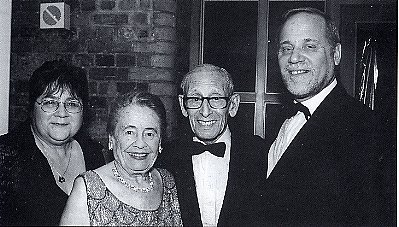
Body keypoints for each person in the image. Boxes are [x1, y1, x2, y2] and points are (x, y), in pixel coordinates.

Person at [255, 7, 382, 226]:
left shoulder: (366, 129)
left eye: (309, 46)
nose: (294, 58)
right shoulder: (283, 121)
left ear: (336, 54)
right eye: (286, 48)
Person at [156, 64, 267, 226]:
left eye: (216, 99)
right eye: (195, 99)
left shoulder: (260, 154)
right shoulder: (165, 158)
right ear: (183, 105)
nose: (205, 111)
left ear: (233, 105)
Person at [0, 59, 105, 225]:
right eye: (50, 103)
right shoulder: (6, 156)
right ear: (31, 107)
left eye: (72, 103)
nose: (62, 113)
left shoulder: (94, 153)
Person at [60, 90, 183, 226]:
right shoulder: (88, 188)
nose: (140, 144)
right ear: (112, 139)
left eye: (149, 134)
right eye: (129, 132)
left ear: (160, 141)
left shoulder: (168, 181)